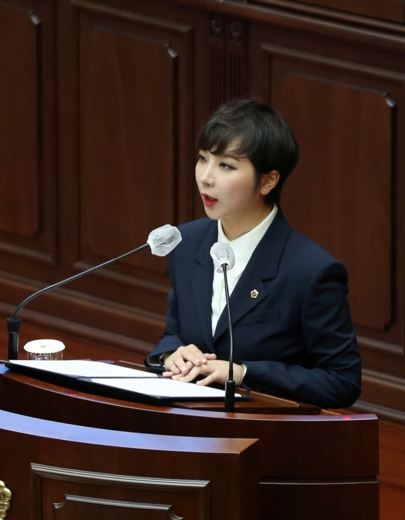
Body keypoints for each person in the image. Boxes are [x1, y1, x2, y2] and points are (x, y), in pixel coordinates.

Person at [144, 98, 361, 409]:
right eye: (203, 158)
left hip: (263, 428)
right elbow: (174, 333)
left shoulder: (311, 271)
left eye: (226, 165)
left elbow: (342, 381)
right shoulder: (187, 242)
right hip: (188, 419)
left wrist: (243, 372)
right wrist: (170, 355)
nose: (206, 177)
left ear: (268, 180)